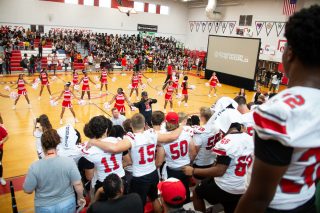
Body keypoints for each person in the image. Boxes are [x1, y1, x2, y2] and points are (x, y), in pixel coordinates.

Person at [235, 5, 320, 213]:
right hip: (308, 200)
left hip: (276, 207)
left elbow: (259, 197)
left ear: (289, 53)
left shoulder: (279, 110)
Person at [87, 113, 184, 211]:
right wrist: (181, 126)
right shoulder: (152, 133)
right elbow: (172, 136)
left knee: (139, 204)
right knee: (154, 199)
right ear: (145, 124)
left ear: (131, 126)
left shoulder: (131, 138)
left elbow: (114, 148)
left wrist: (94, 142)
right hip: (153, 173)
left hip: (140, 177)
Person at [183, 109, 253, 213]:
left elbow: (220, 170)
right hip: (243, 184)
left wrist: (193, 171)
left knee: (197, 194)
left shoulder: (227, 143)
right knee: (230, 207)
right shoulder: (249, 138)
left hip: (227, 186)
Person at [23, 129, 85, 213]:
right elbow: (77, 183)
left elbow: (28, 190)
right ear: (58, 143)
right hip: (67, 203)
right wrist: (80, 198)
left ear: (42, 145)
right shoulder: (69, 162)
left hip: (44, 206)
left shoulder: (34, 167)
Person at [156, 112, 196, 203]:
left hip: (173, 170)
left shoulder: (164, 137)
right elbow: (193, 153)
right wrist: (189, 163)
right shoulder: (186, 133)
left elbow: (160, 161)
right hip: (186, 167)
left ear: (166, 122)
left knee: (173, 193)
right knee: (185, 189)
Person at [81, 116, 126, 192]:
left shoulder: (88, 151)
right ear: (106, 130)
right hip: (121, 179)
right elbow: (128, 160)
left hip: (103, 183)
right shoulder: (119, 141)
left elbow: (89, 177)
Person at [192, 107, 220, 180]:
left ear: (203, 118)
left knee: (199, 184)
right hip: (212, 160)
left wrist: (190, 162)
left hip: (201, 163)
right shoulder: (217, 127)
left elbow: (195, 152)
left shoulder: (199, 132)